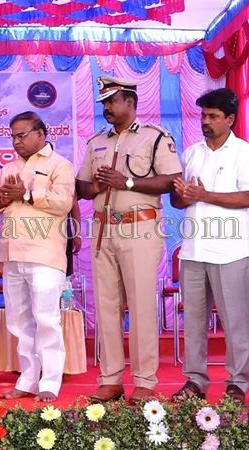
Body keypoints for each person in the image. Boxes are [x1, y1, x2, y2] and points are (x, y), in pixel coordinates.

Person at [76, 76, 182, 403]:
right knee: (106, 306)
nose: (106, 108)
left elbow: (172, 180)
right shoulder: (96, 142)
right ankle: (110, 379)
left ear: (130, 103)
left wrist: (129, 183)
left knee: (141, 306)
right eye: (103, 103)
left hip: (140, 227)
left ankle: (145, 381)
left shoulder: (154, 137)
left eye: (112, 101)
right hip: (103, 229)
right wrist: (96, 186)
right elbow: (81, 187)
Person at [170, 88, 249, 404]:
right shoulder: (192, 153)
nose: (205, 121)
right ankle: (195, 381)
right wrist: (183, 195)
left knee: (234, 321)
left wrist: (204, 195)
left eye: (213, 116)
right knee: (193, 322)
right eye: (203, 115)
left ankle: (237, 383)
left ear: (230, 119)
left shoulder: (244, 153)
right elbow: (178, 200)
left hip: (230, 252)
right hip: (193, 251)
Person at [0, 111, 74, 402]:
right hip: (12, 252)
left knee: (46, 319)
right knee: (19, 322)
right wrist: (3, 198)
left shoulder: (60, 165)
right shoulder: (8, 167)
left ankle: (50, 382)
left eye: (22, 135)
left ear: (40, 134)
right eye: (13, 137)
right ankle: (27, 379)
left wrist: (26, 194)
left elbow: (63, 202)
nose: (16, 142)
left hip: (45, 254)